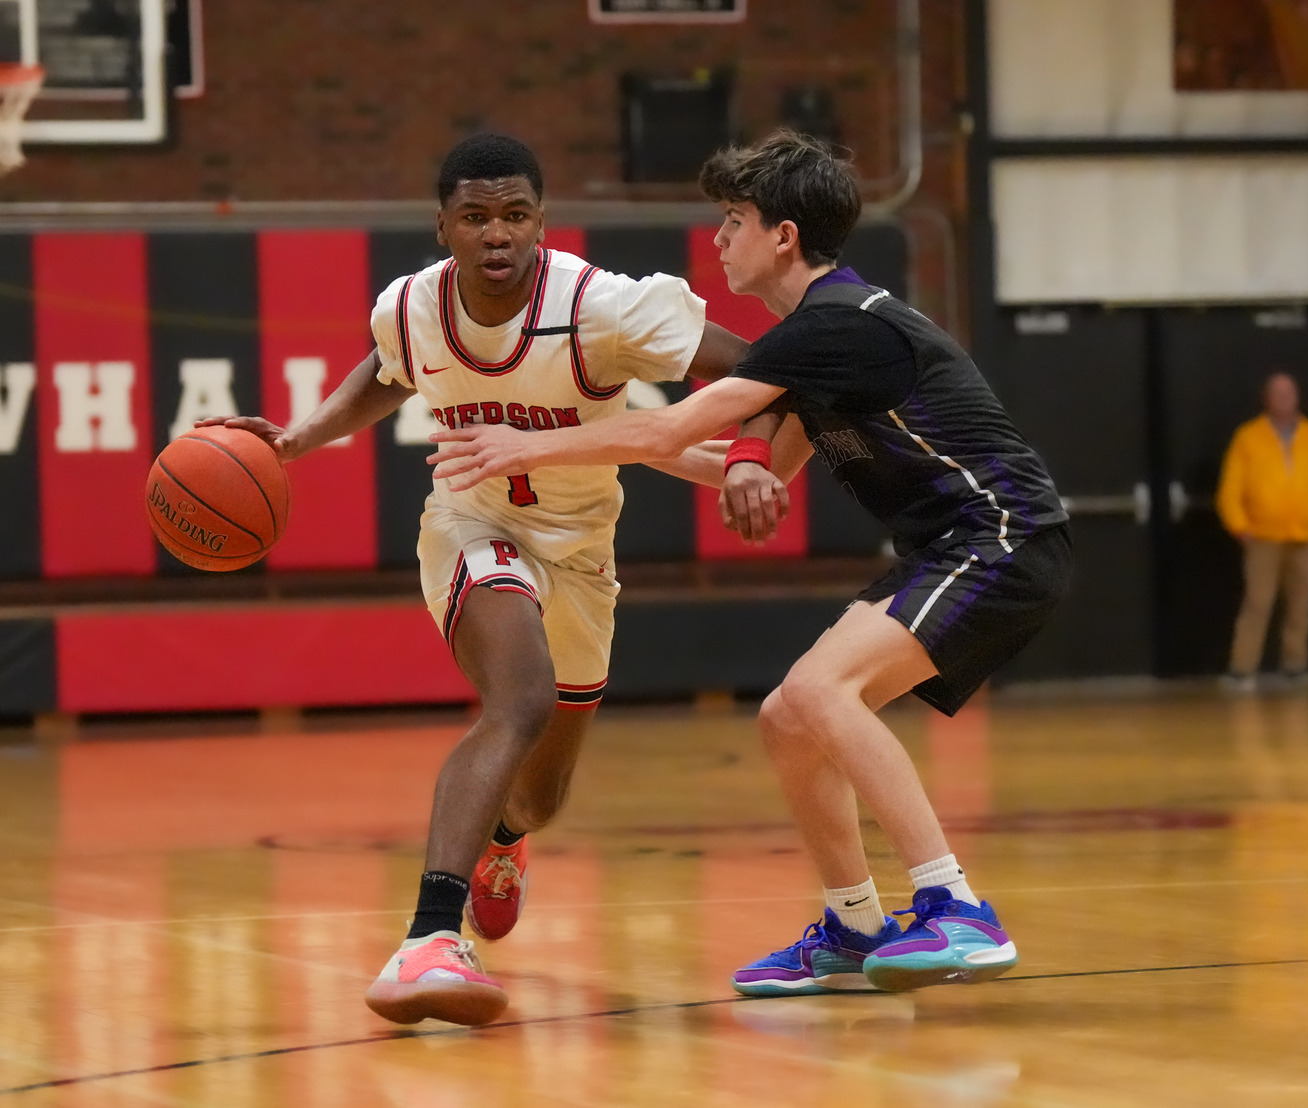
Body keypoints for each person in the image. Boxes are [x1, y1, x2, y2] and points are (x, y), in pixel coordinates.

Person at [428, 130, 1072, 995]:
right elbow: (726, 457)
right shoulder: (816, 339)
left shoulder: (836, 323)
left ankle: (955, 907)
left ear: (784, 237)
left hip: (999, 536)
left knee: (817, 695)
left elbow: (666, 427)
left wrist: (519, 444)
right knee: (786, 718)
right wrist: (730, 468)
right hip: (955, 547)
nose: (718, 238)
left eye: (734, 220)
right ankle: (853, 924)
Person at [199, 133, 751, 1026]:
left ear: (540, 219)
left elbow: (753, 370)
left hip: (580, 545)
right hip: (471, 523)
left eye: (516, 214)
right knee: (519, 700)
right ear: (445, 225)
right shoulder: (412, 306)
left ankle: (504, 837)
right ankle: (428, 937)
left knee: (541, 793)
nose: (498, 233)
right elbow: (389, 372)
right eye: (476, 216)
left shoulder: (604, 307)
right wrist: (303, 437)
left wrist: (750, 458)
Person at [1216, 371, 1308, 690]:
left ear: (1298, 398)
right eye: (1277, 394)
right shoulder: (1248, 438)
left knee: (1300, 607)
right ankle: (1242, 670)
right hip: (1263, 536)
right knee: (1258, 603)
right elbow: (1230, 489)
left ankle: (1295, 668)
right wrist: (1240, 525)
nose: (1283, 400)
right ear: (1267, 399)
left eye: (1289, 394)